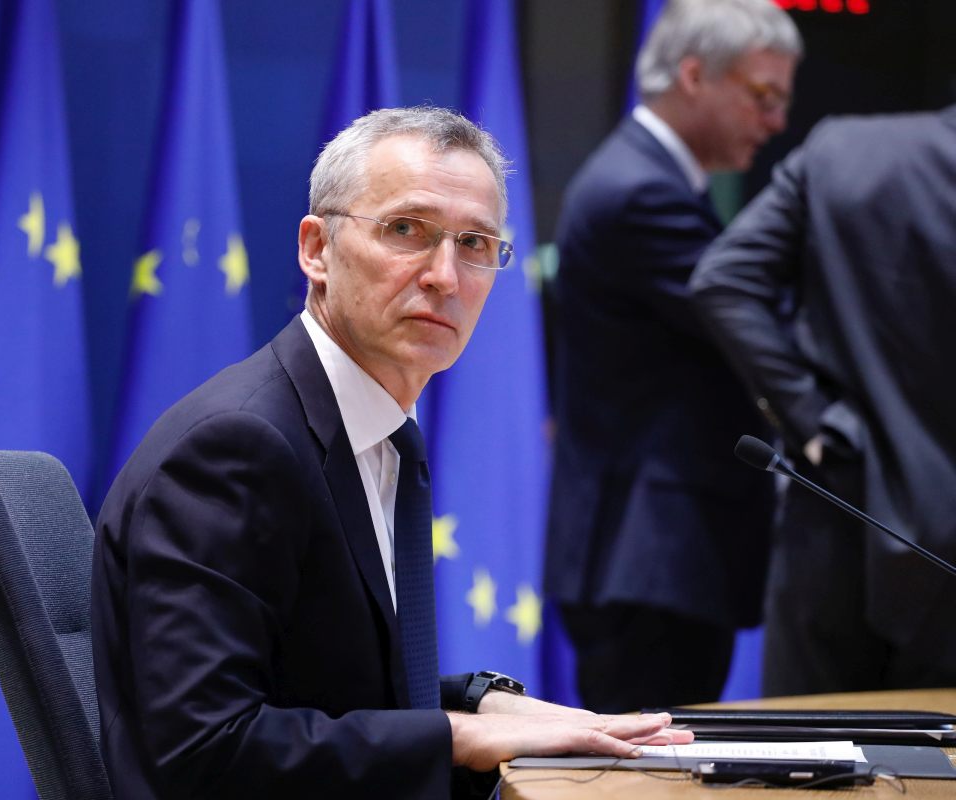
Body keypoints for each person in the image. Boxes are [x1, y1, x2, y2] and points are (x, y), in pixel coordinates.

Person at [91, 107, 689, 800]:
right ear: (317, 248)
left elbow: (326, 684)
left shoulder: (372, 429)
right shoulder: (236, 448)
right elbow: (207, 749)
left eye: (474, 243)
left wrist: (482, 703)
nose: (445, 276)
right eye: (406, 229)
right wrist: (458, 737)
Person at [544, 0, 801, 713]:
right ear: (693, 76)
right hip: (649, 559)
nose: (776, 121)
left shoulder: (649, 176)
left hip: (654, 559)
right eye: (763, 95)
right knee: (655, 764)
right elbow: (754, 319)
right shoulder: (641, 191)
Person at [690, 105, 956, 696]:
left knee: (807, 743)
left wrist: (812, 421)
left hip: (836, 512)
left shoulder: (842, 151)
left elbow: (725, 280)